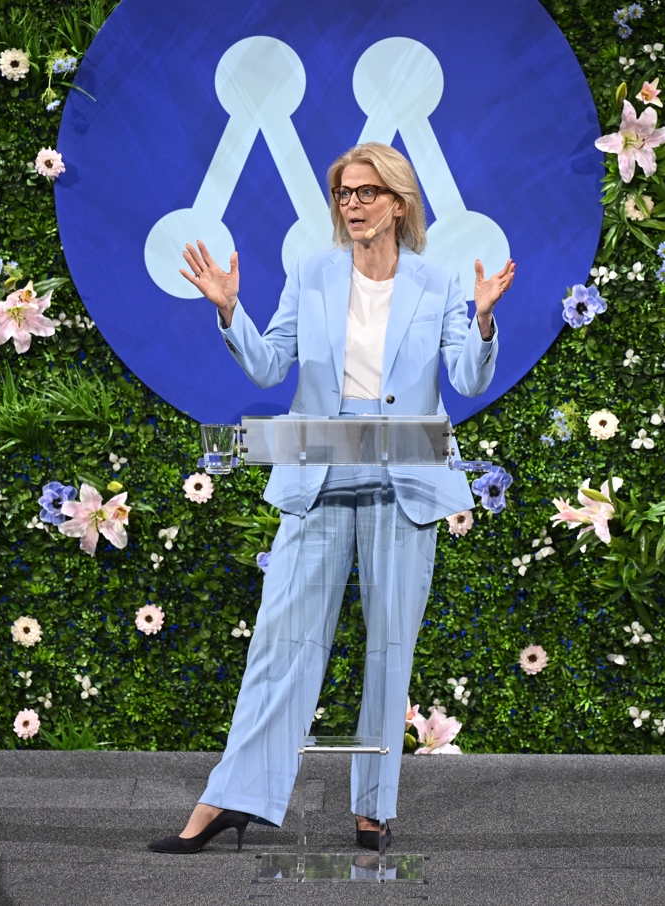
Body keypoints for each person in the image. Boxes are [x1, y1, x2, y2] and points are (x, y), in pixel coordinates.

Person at [148, 142, 514, 854]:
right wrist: (229, 313)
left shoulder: (437, 282)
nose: (352, 204)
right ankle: (231, 799)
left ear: (399, 204)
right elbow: (268, 361)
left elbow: (468, 380)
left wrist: (486, 320)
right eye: (345, 194)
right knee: (279, 642)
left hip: (406, 474)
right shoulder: (309, 273)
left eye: (367, 193)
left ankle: (373, 807)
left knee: (390, 648)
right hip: (318, 466)